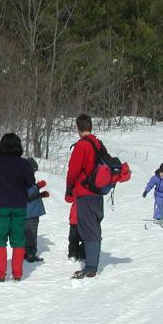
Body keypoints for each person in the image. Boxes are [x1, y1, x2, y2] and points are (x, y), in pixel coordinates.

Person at [0, 133, 34, 282]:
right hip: (19, 205)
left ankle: (0, 274)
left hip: (0, 204)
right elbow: (30, 183)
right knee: (18, 239)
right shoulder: (24, 164)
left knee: (0, 239)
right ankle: (17, 274)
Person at [65, 114, 105, 279]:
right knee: (94, 227)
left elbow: (73, 171)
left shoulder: (82, 146)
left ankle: (90, 267)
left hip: (85, 192)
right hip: (98, 192)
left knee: (89, 230)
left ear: (78, 128)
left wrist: (69, 189)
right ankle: (92, 263)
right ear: (90, 126)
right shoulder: (98, 143)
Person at [24, 157, 49, 263]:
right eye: (33, 170)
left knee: (27, 233)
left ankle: (25, 252)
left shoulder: (24, 177)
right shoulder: (25, 178)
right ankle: (30, 254)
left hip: (28, 211)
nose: (34, 173)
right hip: (31, 213)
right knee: (31, 233)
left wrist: (40, 195)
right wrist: (38, 186)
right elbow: (27, 193)